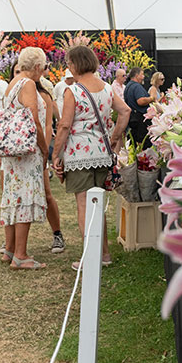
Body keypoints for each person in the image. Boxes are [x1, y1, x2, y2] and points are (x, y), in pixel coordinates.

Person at [53, 46, 131, 270]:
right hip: (102, 153)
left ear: (75, 65)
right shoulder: (107, 88)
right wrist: (115, 138)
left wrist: (56, 154)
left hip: (79, 155)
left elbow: (65, 125)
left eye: (68, 62)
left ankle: (90, 257)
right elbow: (125, 111)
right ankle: (104, 254)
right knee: (98, 206)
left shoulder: (73, 91)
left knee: (84, 206)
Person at [0, 47, 49, 270]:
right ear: (37, 67)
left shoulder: (13, 83)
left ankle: (10, 249)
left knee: (13, 195)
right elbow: (33, 119)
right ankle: (20, 254)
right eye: (44, 67)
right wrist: (44, 146)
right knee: (24, 195)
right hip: (26, 150)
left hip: (13, 149)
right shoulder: (28, 84)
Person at [34, 79, 65, 254]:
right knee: (14, 197)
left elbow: (47, 125)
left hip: (38, 152)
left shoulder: (43, 95)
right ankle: (11, 240)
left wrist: (44, 152)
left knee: (46, 195)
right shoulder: (12, 92)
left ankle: (57, 233)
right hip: (16, 154)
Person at [123, 66, 154, 148]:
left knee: (134, 145)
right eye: (142, 74)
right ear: (136, 75)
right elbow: (140, 101)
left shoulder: (128, 86)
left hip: (132, 118)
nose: (143, 77)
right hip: (140, 120)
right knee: (143, 144)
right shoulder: (136, 86)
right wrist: (151, 98)